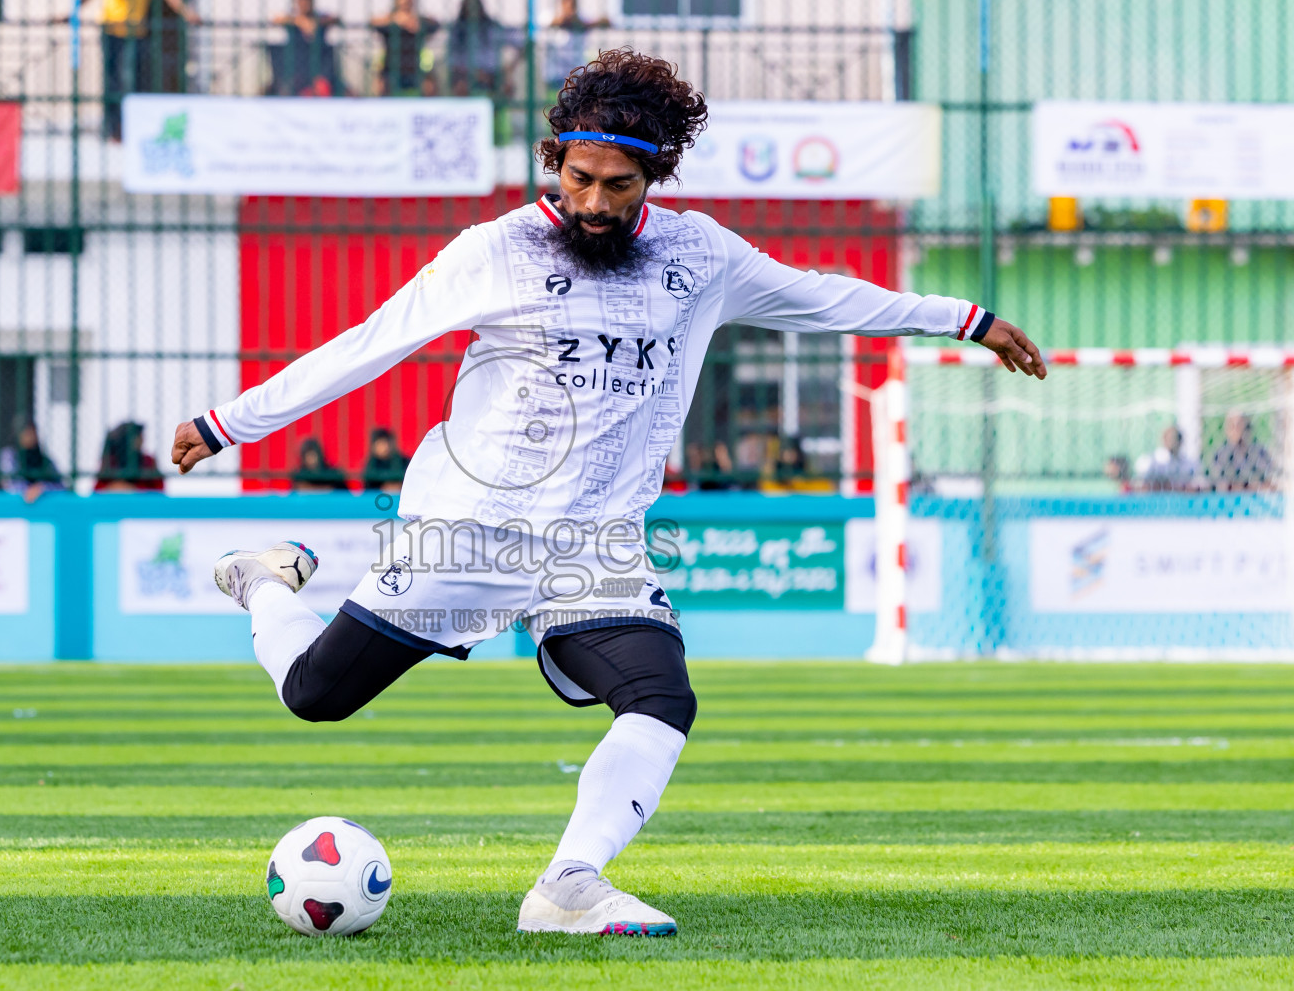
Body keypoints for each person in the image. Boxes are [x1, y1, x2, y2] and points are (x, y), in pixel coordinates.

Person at [170, 49, 1047, 937]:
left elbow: (821, 299)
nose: (593, 201)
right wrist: (230, 424)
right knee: (317, 698)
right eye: (579, 177)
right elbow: (370, 343)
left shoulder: (700, 254)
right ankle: (266, 580)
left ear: (653, 175)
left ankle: (567, 886)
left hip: (595, 547)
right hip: (468, 532)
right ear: (556, 159)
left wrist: (963, 320)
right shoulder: (496, 250)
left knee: (662, 696)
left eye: (618, 184)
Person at [68, 0, 202, 141]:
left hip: (137, 30)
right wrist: (72, 12)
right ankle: (114, 129)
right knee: (113, 81)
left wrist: (185, 12)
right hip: (112, 29)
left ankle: (137, 127)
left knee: (140, 81)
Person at [446, 0, 521, 98]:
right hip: (465, 75)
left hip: (491, 75)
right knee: (460, 87)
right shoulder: (457, 30)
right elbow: (453, 61)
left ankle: (496, 113)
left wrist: (509, 68)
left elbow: (522, 42)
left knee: (506, 87)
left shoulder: (492, 28)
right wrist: (474, 74)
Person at [271, 0, 343, 97]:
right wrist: (299, 21)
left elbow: (336, 19)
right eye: (301, 2)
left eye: (307, 1)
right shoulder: (292, 19)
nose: (304, 4)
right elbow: (276, 19)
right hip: (297, 68)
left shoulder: (319, 18)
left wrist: (316, 23)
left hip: (320, 66)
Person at [370, 0, 439, 96]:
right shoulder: (390, 22)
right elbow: (373, 22)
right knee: (381, 85)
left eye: (407, 3)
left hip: (414, 69)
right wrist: (396, 20)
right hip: (391, 70)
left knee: (429, 85)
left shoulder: (417, 22)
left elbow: (435, 24)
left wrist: (415, 22)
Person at [544, 0, 608, 93]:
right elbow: (556, 21)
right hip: (557, 71)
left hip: (577, 69)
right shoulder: (551, 16)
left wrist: (585, 24)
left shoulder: (581, 18)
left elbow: (606, 21)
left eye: (572, 5)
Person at [0, 417, 66, 503]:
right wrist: (27, 490)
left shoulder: (44, 459)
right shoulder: (9, 455)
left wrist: (42, 487)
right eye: (26, 432)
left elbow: (61, 486)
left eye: (33, 432)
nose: (31, 436)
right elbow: (10, 486)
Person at [1207, 411, 1276, 491]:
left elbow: (1268, 480)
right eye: (1232, 426)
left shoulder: (1259, 452)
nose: (1236, 430)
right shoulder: (1220, 455)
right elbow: (1218, 483)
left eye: (1239, 425)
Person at [95, 421, 165, 492]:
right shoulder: (111, 461)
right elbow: (97, 490)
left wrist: (134, 489)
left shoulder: (148, 461)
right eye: (138, 437)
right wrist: (114, 487)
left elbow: (159, 489)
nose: (142, 440)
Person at [1133, 424, 1197, 492]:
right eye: (1170, 439)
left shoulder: (1189, 463)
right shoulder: (1150, 461)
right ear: (1164, 440)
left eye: (1175, 439)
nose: (1173, 443)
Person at [361, 428, 409, 493]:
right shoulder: (372, 464)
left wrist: (398, 486)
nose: (383, 447)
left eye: (384, 443)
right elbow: (368, 486)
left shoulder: (403, 462)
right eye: (379, 443)